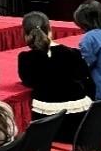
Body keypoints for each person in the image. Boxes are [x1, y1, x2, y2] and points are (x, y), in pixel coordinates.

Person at [17, 12, 93, 142]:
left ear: (25, 34)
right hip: (81, 124)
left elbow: (28, 82)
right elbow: (84, 76)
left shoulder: (26, 59)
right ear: (50, 30)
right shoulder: (73, 54)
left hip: (49, 126)